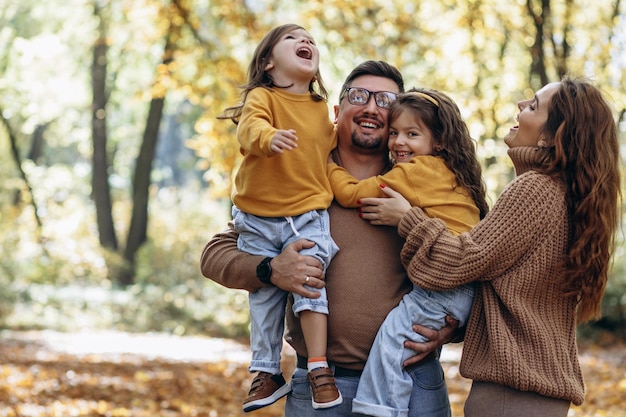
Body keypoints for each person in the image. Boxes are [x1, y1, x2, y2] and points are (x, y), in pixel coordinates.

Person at [202, 60, 458, 417]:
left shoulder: (424, 179)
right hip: (321, 386)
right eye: (359, 96)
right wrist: (270, 269)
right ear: (336, 111)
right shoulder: (299, 179)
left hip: (411, 379)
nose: (371, 107)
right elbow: (215, 253)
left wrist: (452, 328)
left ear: (398, 118)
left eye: (385, 100)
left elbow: (474, 258)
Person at [371, 77, 621, 417]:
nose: (521, 106)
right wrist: (451, 328)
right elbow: (509, 291)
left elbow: (461, 261)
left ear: (550, 136)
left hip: (511, 394)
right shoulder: (564, 193)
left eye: (533, 105)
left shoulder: (534, 189)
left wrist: (408, 218)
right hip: (532, 393)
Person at [327, 88, 489, 417]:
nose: (399, 142)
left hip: (442, 287)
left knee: (390, 345)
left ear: (439, 140)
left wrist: (324, 160)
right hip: (458, 290)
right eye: (396, 133)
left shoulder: (412, 173)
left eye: (412, 134)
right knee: (394, 344)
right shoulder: (450, 174)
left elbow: (349, 193)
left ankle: (377, 411)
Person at [217, 23, 341, 412]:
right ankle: (266, 371)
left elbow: (328, 150)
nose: (306, 41)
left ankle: (318, 367)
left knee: (308, 283)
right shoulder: (262, 98)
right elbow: (249, 129)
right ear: (269, 63)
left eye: (311, 39)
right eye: (292, 38)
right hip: (256, 217)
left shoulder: (321, 110)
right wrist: (268, 138)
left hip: (304, 214)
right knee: (264, 296)